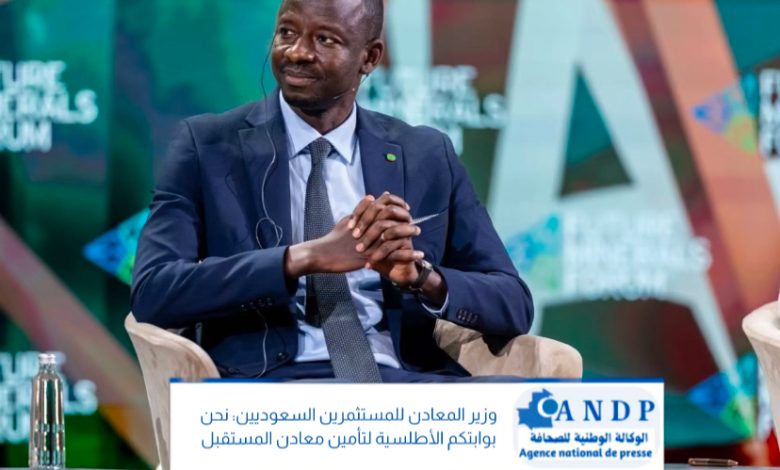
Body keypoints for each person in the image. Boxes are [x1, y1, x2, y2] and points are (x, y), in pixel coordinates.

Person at [130, 0, 533, 382]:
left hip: (402, 384)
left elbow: (513, 302)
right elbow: (154, 291)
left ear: (369, 58)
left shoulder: (425, 154)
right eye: (287, 32)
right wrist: (301, 258)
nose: (297, 52)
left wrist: (420, 277)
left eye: (325, 39)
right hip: (269, 385)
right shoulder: (208, 147)